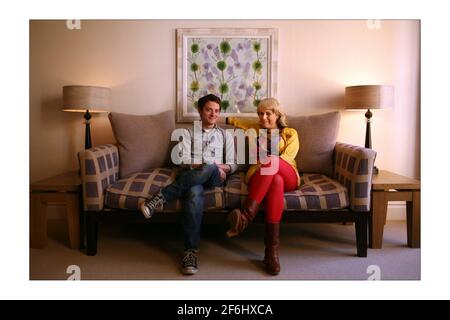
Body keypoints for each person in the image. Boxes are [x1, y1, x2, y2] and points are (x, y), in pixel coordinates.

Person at [140, 94, 237, 275]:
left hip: (214, 177)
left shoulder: (226, 135)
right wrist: (203, 164)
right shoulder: (188, 133)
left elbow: (233, 164)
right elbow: (182, 160)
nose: (213, 114)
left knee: (209, 166)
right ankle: (190, 253)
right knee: (193, 192)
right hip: (192, 177)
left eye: (216, 111)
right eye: (209, 110)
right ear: (200, 111)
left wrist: (214, 166)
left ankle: (160, 197)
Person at [226, 98, 300, 275]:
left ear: (277, 114)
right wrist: (226, 120)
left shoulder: (290, 133)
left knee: (273, 163)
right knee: (276, 181)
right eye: (260, 113)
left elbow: (288, 158)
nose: (263, 117)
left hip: (287, 172)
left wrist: (271, 160)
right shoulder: (255, 130)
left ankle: (245, 217)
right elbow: (237, 120)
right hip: (258, 176)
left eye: (268, 113)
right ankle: (271, 252)